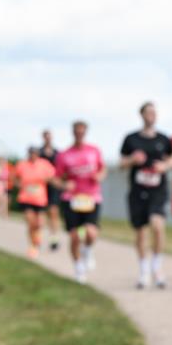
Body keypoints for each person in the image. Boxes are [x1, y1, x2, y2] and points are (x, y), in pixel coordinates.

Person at [120, 102, 172, 289]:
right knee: (141, 231)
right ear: (141, 115)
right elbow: (121, 163)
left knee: (158, 225)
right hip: (137, 191)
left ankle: (157, 267)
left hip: (157, 190)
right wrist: (131, 160)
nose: (151, 115)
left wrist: (165, 166)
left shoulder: (163, 139)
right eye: (148, 112)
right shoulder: (131, 139)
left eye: (154, 112)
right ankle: (143, 270)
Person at [53, 121, 106, 283]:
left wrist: (99, 176)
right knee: (76, 235)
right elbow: (55, 178)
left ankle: (88, 249)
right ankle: (78, 268)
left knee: (90, 232)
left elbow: (103, 169)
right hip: (72, 199)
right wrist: (64, 184)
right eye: (77, 131)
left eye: (82, 131)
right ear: (73, 132)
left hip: (91, 198)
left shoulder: (94, 150)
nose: (79, 134)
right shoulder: (64, 154)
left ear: (86, 132)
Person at [13, 146, 57, 258]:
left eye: (35, 153)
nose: (33, 155)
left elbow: (52, 176)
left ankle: (37, 238)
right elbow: (15, 178)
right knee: (30, 221)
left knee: (39, 223)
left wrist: (44, 180)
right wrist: (19, 185)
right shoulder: (22, 164)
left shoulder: (44, 164)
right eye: (31, 153)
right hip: (26, 198)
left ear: (38, 154)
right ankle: (33, 246)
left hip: (40, 199)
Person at [39, 130, 63, 252]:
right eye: (46, 137)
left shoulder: (57, 153)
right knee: (42, 214)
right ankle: (38, 238)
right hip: (41, 186)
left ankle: (54, 238)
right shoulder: (38, 152)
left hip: (53, 186)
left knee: (53, 212)